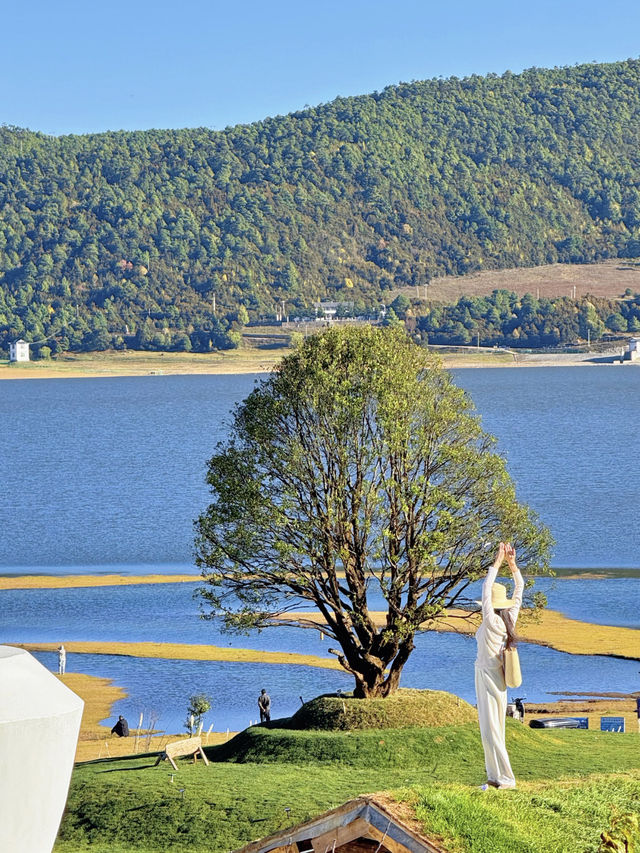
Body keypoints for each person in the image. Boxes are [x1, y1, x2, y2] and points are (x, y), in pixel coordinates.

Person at [475, 541, 524, 789]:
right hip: (498, 677)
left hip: (486, 676)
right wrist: (512, 565)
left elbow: (486, 587)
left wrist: (498, 561)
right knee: (493, 729)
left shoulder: (492, 620)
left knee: (490, 730)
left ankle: (505, 778)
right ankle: (494, 777)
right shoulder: (508, 619)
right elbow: (520, 589)